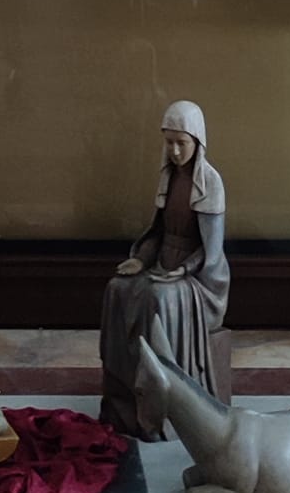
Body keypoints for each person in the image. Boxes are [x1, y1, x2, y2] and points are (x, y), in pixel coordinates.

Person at [98, 99, 229, 440]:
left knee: (158, 297)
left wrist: (182, 270)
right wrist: (140, 259)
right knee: (117, 288)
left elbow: (211, 251)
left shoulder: (209, 182)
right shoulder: (168, 179)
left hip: (202, 279)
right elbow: (157, 233)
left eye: (180, 143)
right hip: (161, 265)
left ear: (196, 141)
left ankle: (164, 408)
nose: (174, 151)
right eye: (168, 142)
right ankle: (124, 400)